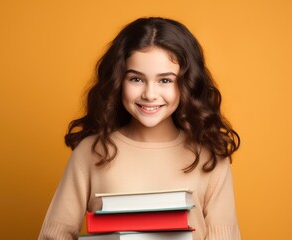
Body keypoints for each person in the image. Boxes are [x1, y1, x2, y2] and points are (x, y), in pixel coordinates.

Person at [39, 17, 241, 240]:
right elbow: (55, 235)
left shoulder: (210, 157)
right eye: (136, 79)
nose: (149, 94)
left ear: (187, 84)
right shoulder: (90, 152)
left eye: (165, 80)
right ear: (118, 81)